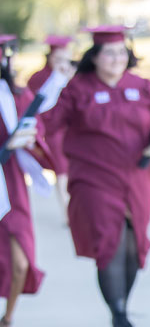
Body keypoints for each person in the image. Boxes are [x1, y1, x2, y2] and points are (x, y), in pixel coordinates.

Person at [41, 26, 150, 327]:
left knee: (133, 246)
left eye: (121, 52)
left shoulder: (142, 86)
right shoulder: (77, 88)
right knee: (109, 242)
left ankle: (121, 306)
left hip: (136, 178)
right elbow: (48, 124)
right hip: (94, 179)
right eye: (109, 52)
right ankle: (119, 315)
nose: (117, 58)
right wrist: (55, 83)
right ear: (95, 57)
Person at [0, 35, 57, 327]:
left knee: (20, 263)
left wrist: (28, 137)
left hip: (9, 183)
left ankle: (7, 318)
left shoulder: (15, 94)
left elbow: (37, 130)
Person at [26, 35, 76, 221]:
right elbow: (40, 106)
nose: (62, 63)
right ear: (49, 57)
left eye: (66, 59)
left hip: (73, 130)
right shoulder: (38, 78)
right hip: (52, 131)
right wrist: (57, 79)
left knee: (74, 171)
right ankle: (69, 213)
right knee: (62, 171)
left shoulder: (75, 75)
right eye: (58, 59)